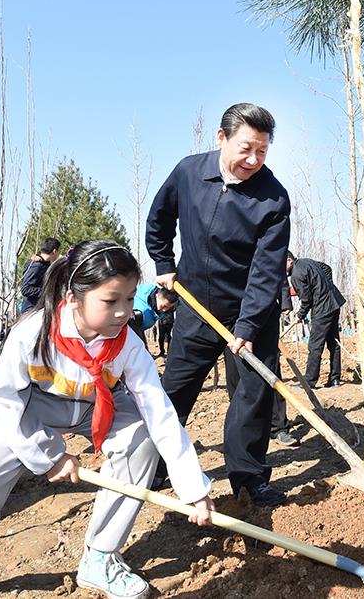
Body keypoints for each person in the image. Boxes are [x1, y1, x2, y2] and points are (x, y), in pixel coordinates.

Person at [0, 240, 212, 599]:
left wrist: (193, 488)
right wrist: (48, 454)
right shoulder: (33, 332)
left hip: (97, 408)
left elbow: (158, 411)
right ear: (73, 299)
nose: (122, 312)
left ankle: (100, 556)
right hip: (30, 411)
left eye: (129, 299)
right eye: (110, 301)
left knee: (143, 440)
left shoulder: (128, 343)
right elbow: (4, 401)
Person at [146, 103, 291, 507]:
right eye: (246, 148)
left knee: (252, 395)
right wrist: (164, 264)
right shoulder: (189, 173)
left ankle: (248, 478)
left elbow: (267, 271)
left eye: (262, 151)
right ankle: (154, 466)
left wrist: (247, 327)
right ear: (221, 138)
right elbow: (159, 220)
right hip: (195, 304)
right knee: (175, 388)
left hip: (250, 312)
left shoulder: (273, 198)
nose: (253, 160)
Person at [224, 279, 297, 446]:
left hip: (263, 313)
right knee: (235, 375)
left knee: (270, 372)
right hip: (231, 316)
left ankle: (278, 428)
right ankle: (241, 428)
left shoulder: (266, 253)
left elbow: (275, 268)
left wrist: (285, 302)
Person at [286, 252, 346, 388]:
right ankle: (335, 379)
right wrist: (326, 285)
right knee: (333, 343)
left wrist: (300, 315)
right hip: (335, 302)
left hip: (323, 308)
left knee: (315, 345)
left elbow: (306, 300)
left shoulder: (296, 275)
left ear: (289, 260)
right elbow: (327, 268)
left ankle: (309, 382)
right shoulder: (307, 262)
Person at [128, 282, 179, 347]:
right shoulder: (140, 312)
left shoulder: (155, 310)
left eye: (168, 308)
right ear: (157, 296)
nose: (164, 310)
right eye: (163, 306)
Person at [18, 237, 61, 314]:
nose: (59, 255)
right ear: (54, 251)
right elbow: (26, 289)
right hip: (31, 310)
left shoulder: (45, 264)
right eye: (58, 252)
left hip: (41, 309)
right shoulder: (36, 265)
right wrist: (48, 293)